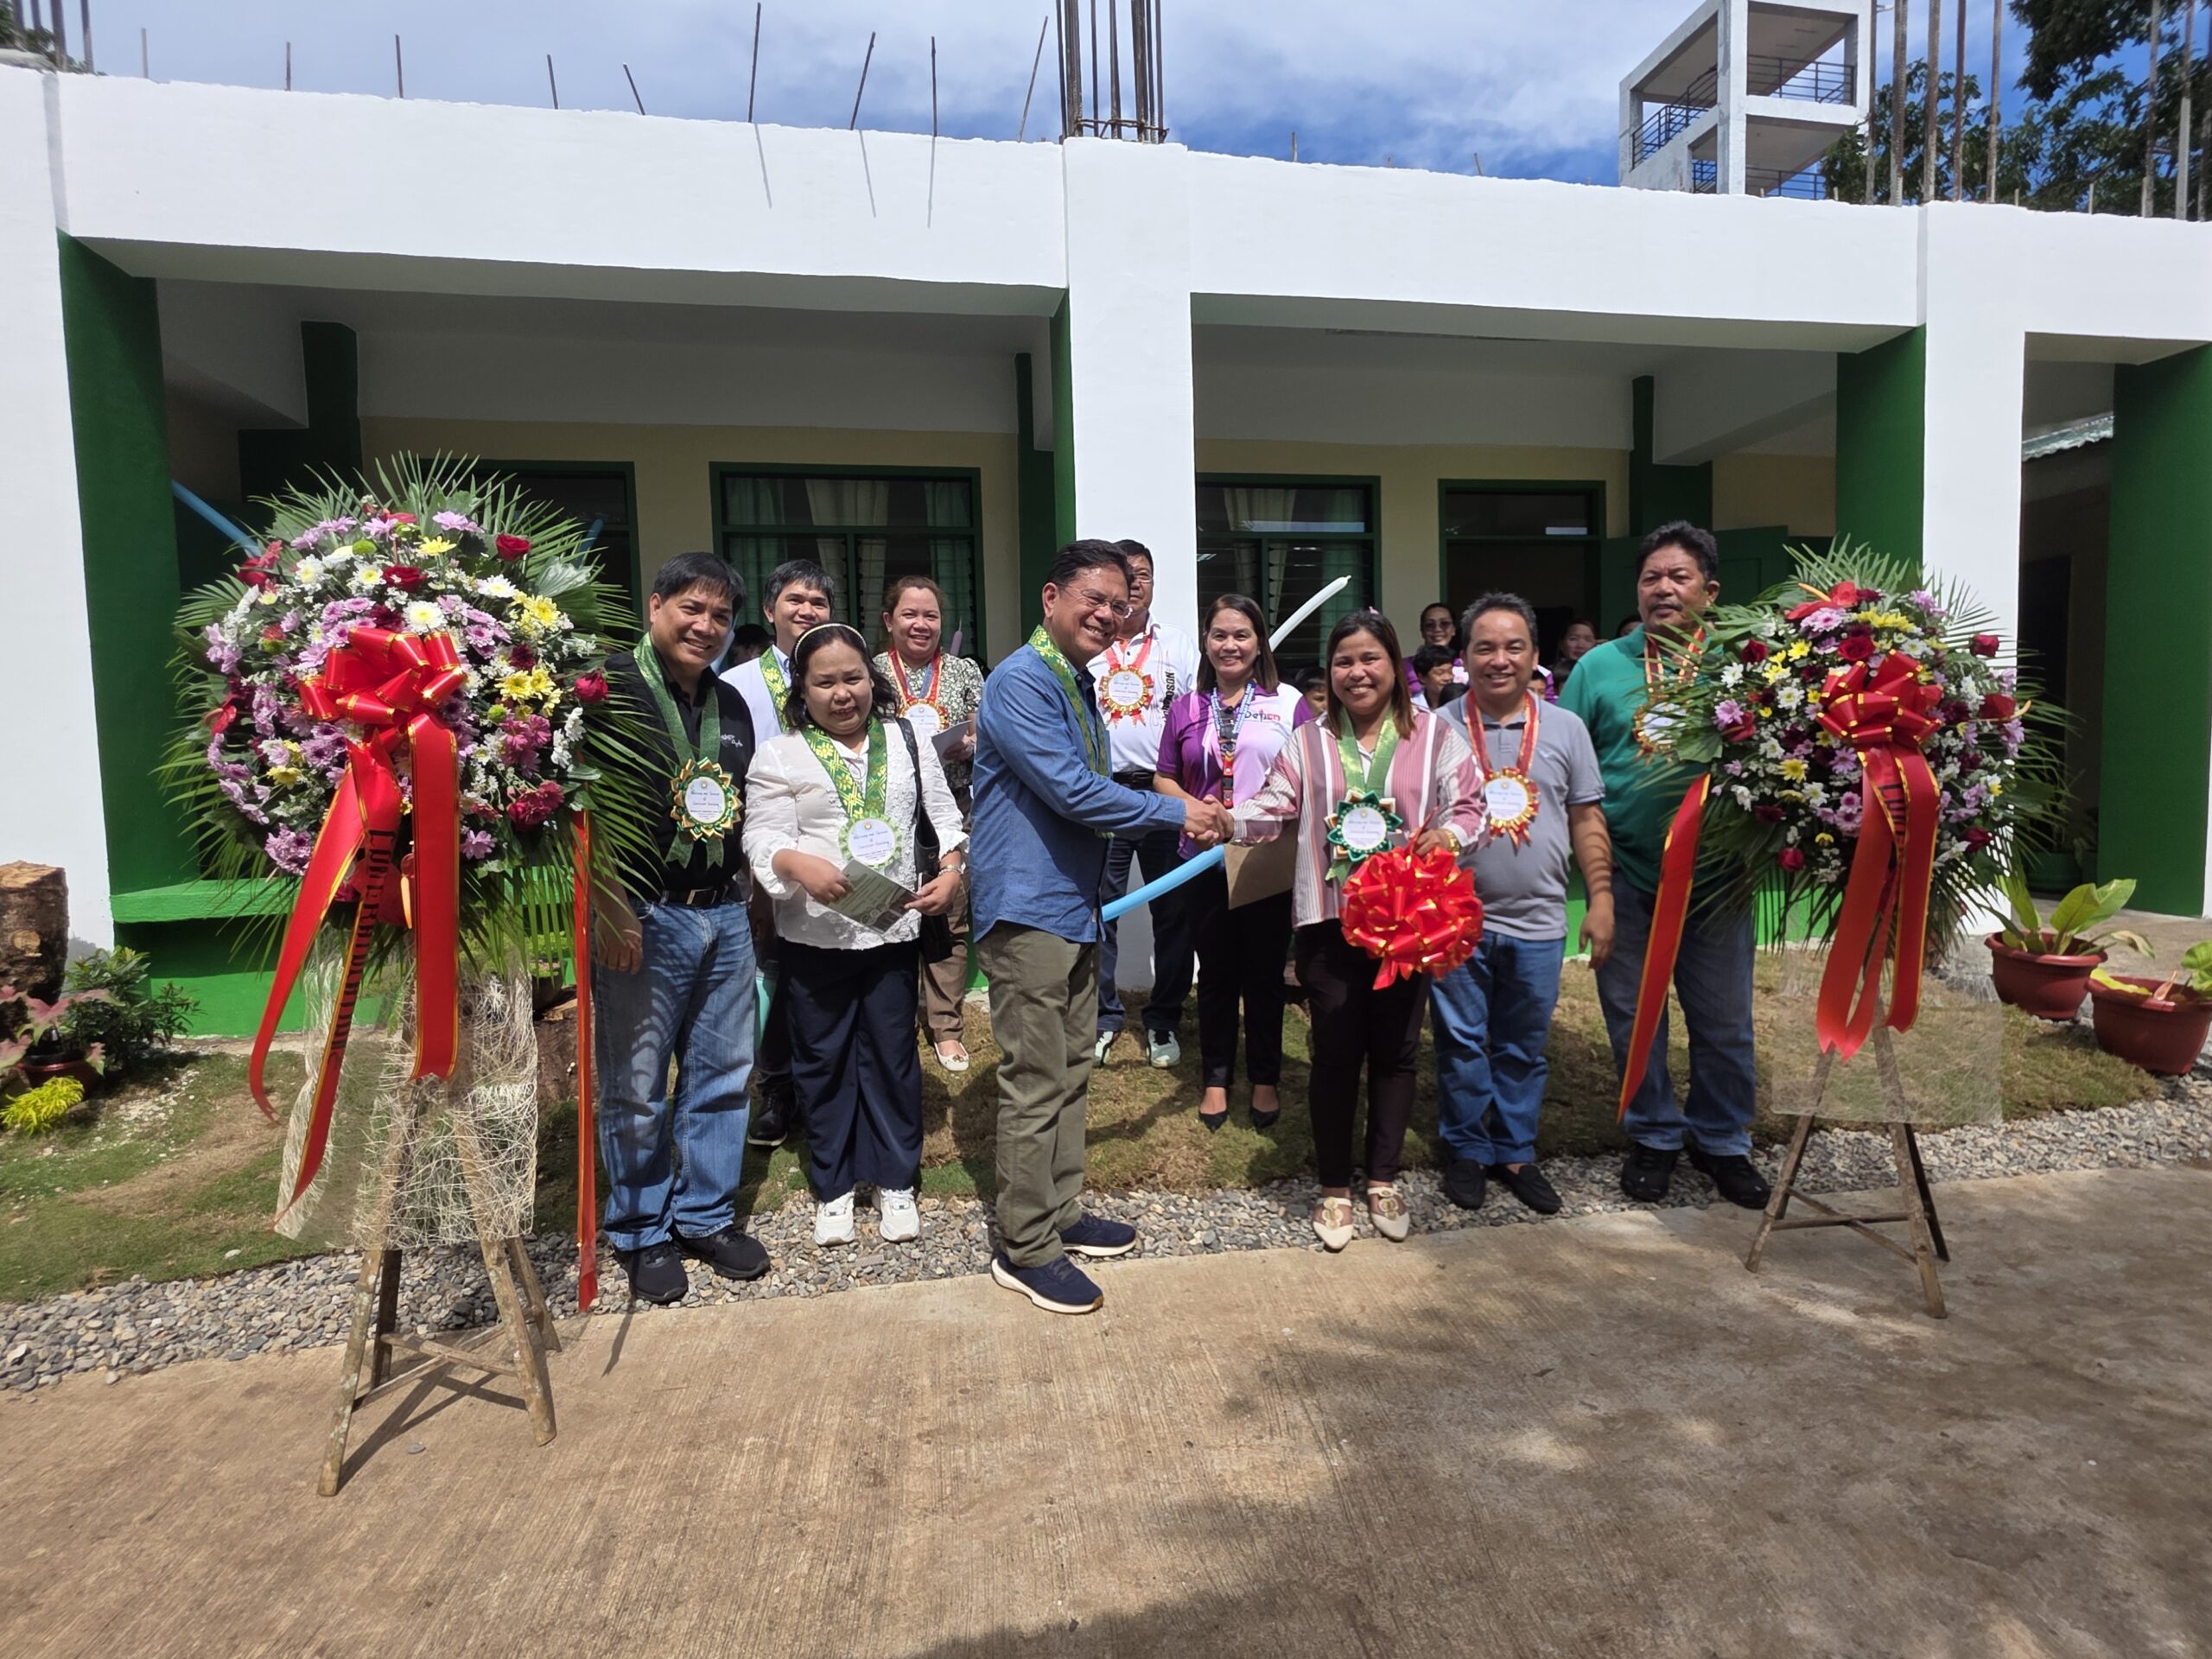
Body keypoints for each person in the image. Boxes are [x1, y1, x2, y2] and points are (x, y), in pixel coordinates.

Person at [970, 540, 1231, 1314]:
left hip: (1073, 906)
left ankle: (1061, 1211)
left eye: (1120, 603)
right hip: (1028, 908)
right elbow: (1073, 792)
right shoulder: (1022, 680)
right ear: (1051, 597)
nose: (1109, 614)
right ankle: (1026, 1245)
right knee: (1035, 1078)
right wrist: (1178, 812)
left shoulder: (1075, 680)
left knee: (1071, 1069)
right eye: (1094, 598)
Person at [1236, 611, 1484, 1250]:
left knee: (1397, 1053)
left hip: (1408, 926)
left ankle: (1382, 1178)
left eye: (1370, 658)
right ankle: (1334, 1188)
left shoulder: (1435, 735)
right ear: (1331, 671)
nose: (1356, 672)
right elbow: (1273, 806)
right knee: (1335, 1053)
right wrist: (1225, 820)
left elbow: (1471, 805)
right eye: (1344, 661)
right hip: (1330, 921)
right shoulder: (1307, 742)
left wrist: (1449, 834)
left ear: (1393, 666)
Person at [1560, 523, 1769, 1210]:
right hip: (1625, 873)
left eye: (1679, 577)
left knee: (1725, 1019)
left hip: (1718, 881)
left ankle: (1722, 1139)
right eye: (1651, 578)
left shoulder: (1744, 665)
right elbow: (1566, 764)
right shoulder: (1599, 668)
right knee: (1634, 1017)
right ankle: (1653, 1134)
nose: (1663, 589)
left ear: (1711, 590)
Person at [745, 624, 968, 1247]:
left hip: (892, 928)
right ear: (801, 689)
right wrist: (795, 863)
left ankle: (896, 1179)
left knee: (893, 1056)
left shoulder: (906, 738)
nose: (842, 693)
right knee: (823, 1060)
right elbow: (761, 835)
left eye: (853, 678)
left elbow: (944, 817)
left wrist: (952, 872)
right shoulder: (780, 754)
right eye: (825, 682)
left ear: (872, 679)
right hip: (815, 936)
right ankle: (835, 1185)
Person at [592, 551, 768, 1304]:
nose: (706, 626)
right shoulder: (607, 691)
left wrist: (754, 901)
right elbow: (581, 809)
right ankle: (640, 1229)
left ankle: (704, 1216)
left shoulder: (731, 703)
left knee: (723, 1075)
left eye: (721, 616)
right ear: (656, 605)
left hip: (724, 911)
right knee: (636, 1084)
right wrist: (609, 904)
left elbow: (743, 806)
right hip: (641, 912)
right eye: (692, 609)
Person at [1431, 594, 1614, 1216]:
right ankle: (1466, 1148)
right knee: (1461, 1043)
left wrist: (1601, 897)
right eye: (1484, 647)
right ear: (1464, 657)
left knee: (1522, 1046)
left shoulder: (1567, 729)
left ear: (1536, 655)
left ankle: (1514, 1150)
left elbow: (1587, 818)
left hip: (1538, 920)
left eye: (1514, 647)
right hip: (1454, 922)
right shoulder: (1436, 729)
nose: (1499, 659)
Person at [1152, 594, 1313, 1132]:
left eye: (1241, 635)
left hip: (1265, 861)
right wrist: (1195, 811)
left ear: (1259, 642)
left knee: (1265, 975)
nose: (1230, 645)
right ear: (1206, 642)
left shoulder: (1288, 703)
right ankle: (1216, 1077)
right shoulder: (1187, 707)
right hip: (1201, 861)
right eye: (1219, 635)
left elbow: (1309, 777)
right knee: (1216, 974)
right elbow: (1163, 776)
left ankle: (1265, 1078)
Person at [721, 558, 836, 1151]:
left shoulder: (842, 674)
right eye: (795, 600)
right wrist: (756, 878)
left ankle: (824, 1092)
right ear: (770, 610)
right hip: (761, 856)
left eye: (818, 602)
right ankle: (777, 1090)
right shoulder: (737, 685)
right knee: (769, 970)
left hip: (830, 855)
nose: (807, 611)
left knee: (820, 975)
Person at [1089, 539, 1202, 1069]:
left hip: (1163, 795)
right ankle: (1102, 1018)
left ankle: (1163, 1019)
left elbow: (1196, 717)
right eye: (1125, 574)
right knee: (1100, 909)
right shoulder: (1090, 645)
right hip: (1104, 795)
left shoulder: (1177, 645)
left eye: (1144, 575)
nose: (1134, 584)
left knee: (1173, 910)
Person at [873, 575, 987, 1071]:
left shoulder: (964, 671)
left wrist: (972, 745)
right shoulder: (872, 671)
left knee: (950, 917)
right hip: (888, 814)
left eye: (931, 615)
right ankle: (892, 1017)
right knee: (888, 913)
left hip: (953, 809)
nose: (921, 624)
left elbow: (987, 732)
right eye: (910, 614)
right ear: (889, 620)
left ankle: (946, 1026)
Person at [1413, 644, 1464, 709]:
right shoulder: (1413, 707)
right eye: (1440, 673)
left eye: (1450, 671)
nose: (1448, 678)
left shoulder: (1462, 701)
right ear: (1422, 677)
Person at [1552, 617, 1598, 689]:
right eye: (1573, 639)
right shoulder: (1547, 676)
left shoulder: (1603, 675)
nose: (1581, 646)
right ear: (1561, 644)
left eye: (1588, 640)